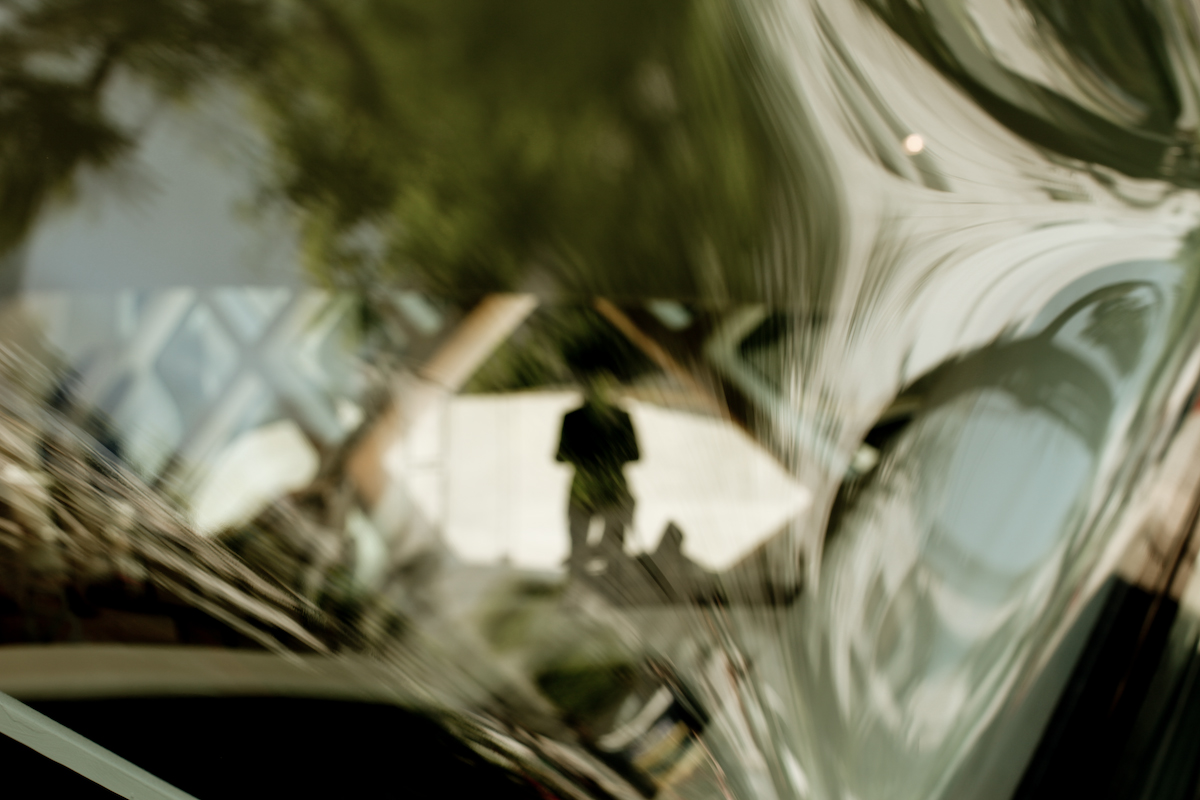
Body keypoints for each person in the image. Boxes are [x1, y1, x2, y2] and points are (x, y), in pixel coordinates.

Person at [555, 371, 639, 575]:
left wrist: (587, 459)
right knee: (612, 553)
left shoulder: (573, 418)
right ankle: (609, 580)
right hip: (612, 488)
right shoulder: (620, 417)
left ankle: (579, 580)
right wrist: (607, 458)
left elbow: (560, 455)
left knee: (581, 549)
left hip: (584, 489)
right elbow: (634, 454)